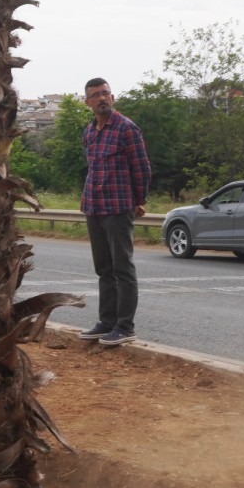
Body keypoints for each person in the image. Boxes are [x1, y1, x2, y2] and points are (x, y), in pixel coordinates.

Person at [77, 78, 152, 347]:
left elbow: (141, 168)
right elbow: (92, 168)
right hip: (94, 207)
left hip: (118, 207)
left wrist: (139, 199)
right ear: (88, 103)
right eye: (95, 95)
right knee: (103, 269)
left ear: (113, 97)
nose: (102, 98)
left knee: (123, 269)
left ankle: (125, 326)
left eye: (105, 93)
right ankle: (106, 322)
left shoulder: (127, 129)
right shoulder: (89, 132)